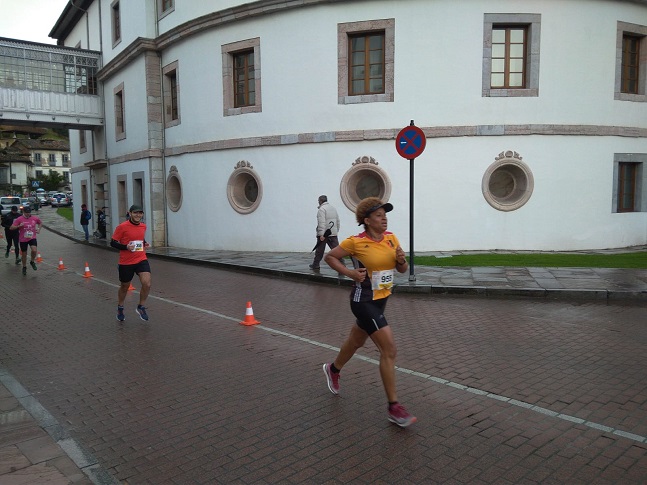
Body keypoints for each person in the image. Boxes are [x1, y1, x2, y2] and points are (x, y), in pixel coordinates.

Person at [322, 197, 416, 428]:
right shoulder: (355, 242)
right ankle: (393, 407)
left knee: (356, 341)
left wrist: (402, 261)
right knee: (389, 349)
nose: (384, 219)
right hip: (363, 301)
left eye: (385, 215)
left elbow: (402, 269)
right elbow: (330, 256)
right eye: (379, 215)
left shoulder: (391, 238)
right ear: (366, 220)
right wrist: (350, 273)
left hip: (382, 299)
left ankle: (333, 369)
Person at [110, 205, 151, 322]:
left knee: (147, 283)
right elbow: (113, 243)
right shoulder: (122, 227)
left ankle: (141, 307)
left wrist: (145, 243)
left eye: (140, 213)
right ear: (130, 213)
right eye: (135, 213)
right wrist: (126, 247)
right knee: (125, 286)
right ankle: (120, 307)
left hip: (141, 258)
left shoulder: (143, 226)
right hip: (126, 262)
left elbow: (140, 238)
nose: (138, 215)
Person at [309, 195, 340, 270]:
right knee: (337, 250)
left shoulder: (322, 209)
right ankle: (342, 265)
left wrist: (321, 234)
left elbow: (321, 223)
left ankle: (316, 264)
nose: (318, 202)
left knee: (319, 250)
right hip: (332, 233)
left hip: (324, 234)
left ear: (320, 201)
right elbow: (338, 221)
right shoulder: (333, 208)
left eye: (318, 201)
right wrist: (336, 231)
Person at [10, 206, 42, 276]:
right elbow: (11, 227)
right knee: (24, 254)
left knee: (34, 250)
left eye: (29, 212)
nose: (28, 214)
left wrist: (38, 229)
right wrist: (18, 226)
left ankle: (32, 261)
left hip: (32, 237)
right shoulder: (19, 219)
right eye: (26, 212)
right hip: (23, 239)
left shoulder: (34, 218)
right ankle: (24, 267)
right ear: (23, 212)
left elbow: (40, 223)